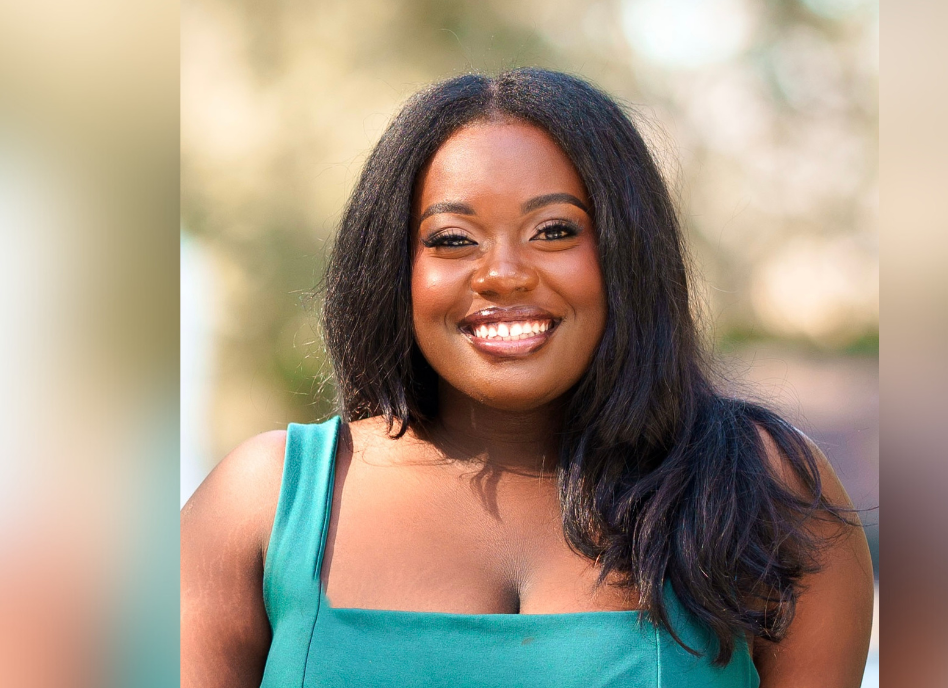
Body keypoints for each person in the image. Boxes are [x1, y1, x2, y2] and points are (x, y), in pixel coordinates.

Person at [181, 69, 874, 687]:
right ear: (394, 270)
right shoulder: (262, 507)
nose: (503, 273)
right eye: (452, 240)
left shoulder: (764, 492)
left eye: (555, 231)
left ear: (626, 255)